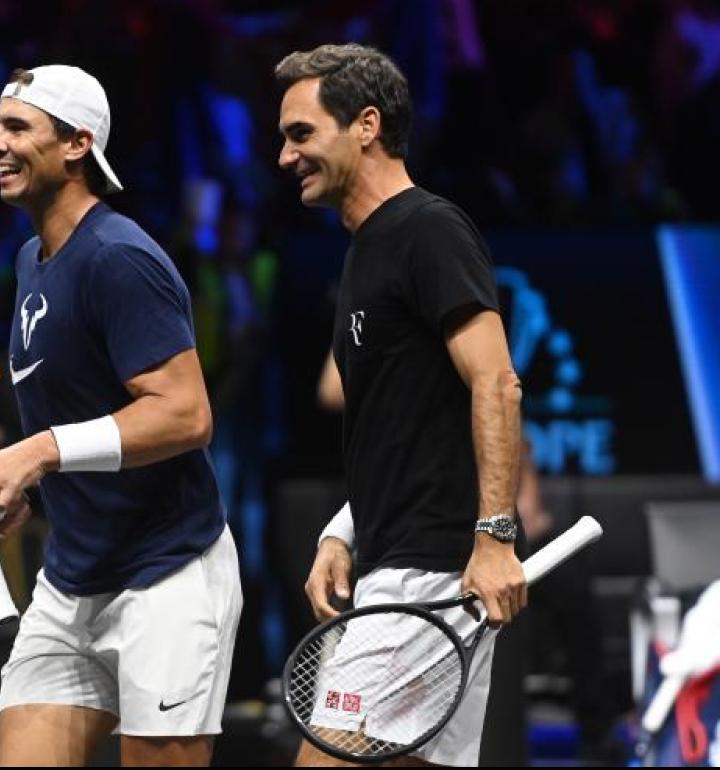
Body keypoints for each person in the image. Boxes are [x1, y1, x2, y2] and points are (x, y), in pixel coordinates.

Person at [0, 64, 242, 766]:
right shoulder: (31, 260)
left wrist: (37, 453)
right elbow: (84, 414)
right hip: (72, 579)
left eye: (17, 127)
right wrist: (29, 492)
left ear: (77, 144)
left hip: (166, 576)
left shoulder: (119, 258)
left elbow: (185, 415)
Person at [274, 44, 526, 767]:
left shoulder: (429, 229)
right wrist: (341, 532)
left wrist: (495, 539)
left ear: (366, 125)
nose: (285, 157)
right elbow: (401, 430)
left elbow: (496, 382)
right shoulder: (364, 251)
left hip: (430, 576)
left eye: (300, 134)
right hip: (399, 565)